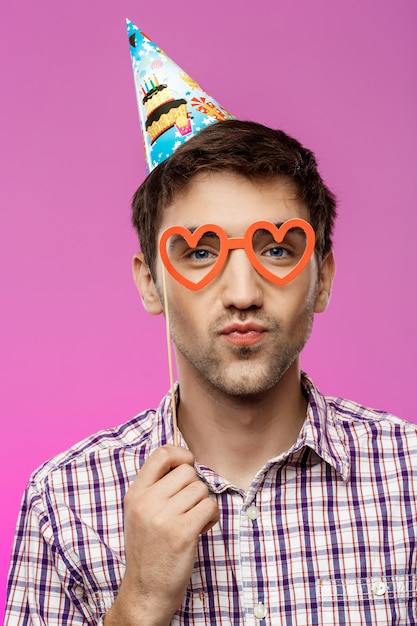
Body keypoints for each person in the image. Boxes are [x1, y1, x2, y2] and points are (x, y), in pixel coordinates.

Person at [5, 120, 417, 626]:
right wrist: (140, 601)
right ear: (151, 284)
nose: (242, 294)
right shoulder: (64, 504)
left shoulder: (410, 476)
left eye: (277, 249)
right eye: (200, 253)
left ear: (323, 279)